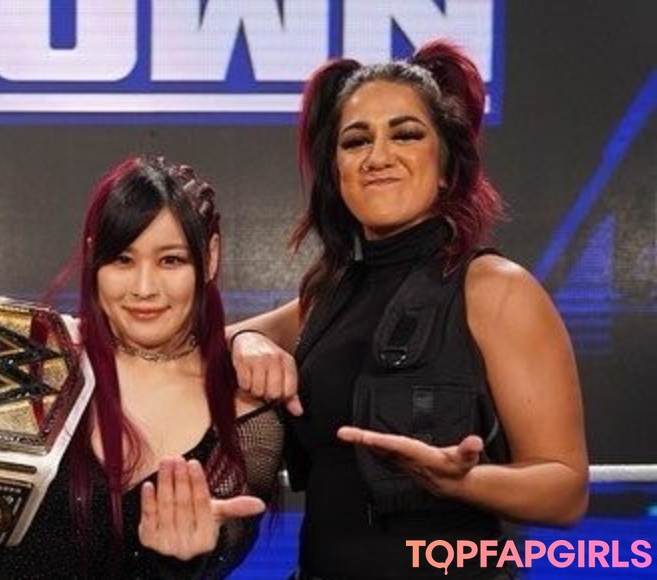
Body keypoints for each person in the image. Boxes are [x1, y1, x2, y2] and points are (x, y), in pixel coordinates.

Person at [226, 40, 589, 579]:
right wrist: (247, 341)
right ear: (337, 172)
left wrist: (462, 481)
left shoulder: (495, 289)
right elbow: (204, 344)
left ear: (445, 166)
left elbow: (565, 491)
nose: (378, 157)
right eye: (356, 141)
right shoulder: (328, 297)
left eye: (406, 134)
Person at [0, 156, 283, 578]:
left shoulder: (245, 411)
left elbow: (228, 540)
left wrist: (191, 552)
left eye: (170, 260)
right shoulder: (42, 361)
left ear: (210, 257)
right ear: (93, 257)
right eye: (122, 260)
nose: (144, 287)